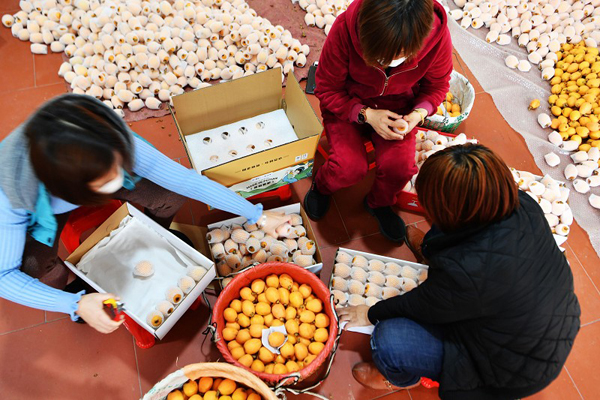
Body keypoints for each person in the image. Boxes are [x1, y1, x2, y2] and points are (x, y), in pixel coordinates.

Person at [0, 94, 291, 334]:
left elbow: (184, 181)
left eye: (118, 166)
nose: (118, 177)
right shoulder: (12, 195)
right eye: (105, 181)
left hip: (81, 179)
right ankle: (70, 287)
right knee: (34, 265)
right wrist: (74, 304)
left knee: (168, 195)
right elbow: (4, 276)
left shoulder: (105, 137)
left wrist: (256, 215)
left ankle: (155, 232)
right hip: (41, 207)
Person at [337, 144, 580, 399]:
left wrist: (370, 313)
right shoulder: (520, 203)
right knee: (441, 234)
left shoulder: (469, 271)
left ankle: (399, 377)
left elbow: (421, 304)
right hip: (540, 320)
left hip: (511, 367)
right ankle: (431, 253)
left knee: (389, 338)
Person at [304, 0, 452, 242]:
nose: (386, 63)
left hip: (398, 108)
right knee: (348, 167)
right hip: (347, 103)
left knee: (400, 168)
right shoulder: (345, 29)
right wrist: (366, 114)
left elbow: (437, 86)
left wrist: (417, 114)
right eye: (379, 57)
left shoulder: (435, 37)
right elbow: (327, 88)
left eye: (398, 56)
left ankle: (379, 203)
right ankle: (321, 186)